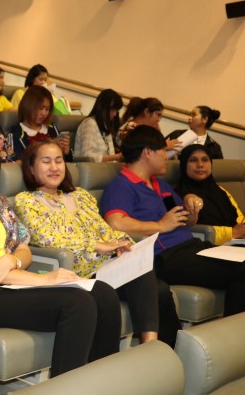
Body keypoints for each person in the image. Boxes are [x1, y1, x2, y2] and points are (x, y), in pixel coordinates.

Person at [0, 127, 121, 377]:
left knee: (103, 292)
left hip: (12, 284)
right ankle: (66, 387)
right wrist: (44, 279)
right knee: (77, 303)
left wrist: (10, 260)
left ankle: (102, 380)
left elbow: (24, 249)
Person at [15, 140, 180, 346]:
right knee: (156, 288)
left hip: (107, 266)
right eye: (46, 161)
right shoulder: (27, 201)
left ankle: (160, 347)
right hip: (78, 272)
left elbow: (104, 229)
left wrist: (122, 243)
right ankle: (152, 346)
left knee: (158, 286)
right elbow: (46, 237)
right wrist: (95, 245)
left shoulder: (80, 195)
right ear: (31, 168)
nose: (54, 167)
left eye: (59, 161)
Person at [101, 125, 245, 317]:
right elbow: (116, 223)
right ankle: (233, 331)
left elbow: (183, 220)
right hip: (165, 257)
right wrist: (160, 226)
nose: (167, 156)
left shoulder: (159, 184)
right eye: (163, 150)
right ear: (147, 153)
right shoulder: (121, 185)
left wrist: (191, 208)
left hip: (192, 248)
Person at [176, 144, 245, 244]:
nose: (200, 164)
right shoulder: (178, 196)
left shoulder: (221, 191)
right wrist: (232, 233)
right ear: (184, 165)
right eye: (193, 160)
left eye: (205, 160)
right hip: (206, 247)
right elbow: (193, 231)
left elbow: (239, 218)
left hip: (236, 242)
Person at [8, 85, 72, 161]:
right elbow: (15, 162)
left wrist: (66, 152)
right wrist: (49, 145)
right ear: (28, 106)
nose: (44, 113)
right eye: (40, 108)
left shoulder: (51, 128)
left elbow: (66, 161)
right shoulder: (16, 133)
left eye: (47, 109)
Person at [74, 89, 125, 162]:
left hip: (105, 168)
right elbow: (87, 157)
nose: (115, 114)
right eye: (112, 110)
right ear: (101, 106)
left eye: (116, 111)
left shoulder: (106, 126)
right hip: (89, 168)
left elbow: (111, 154)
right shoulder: (90, 124)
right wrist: (116, 157)